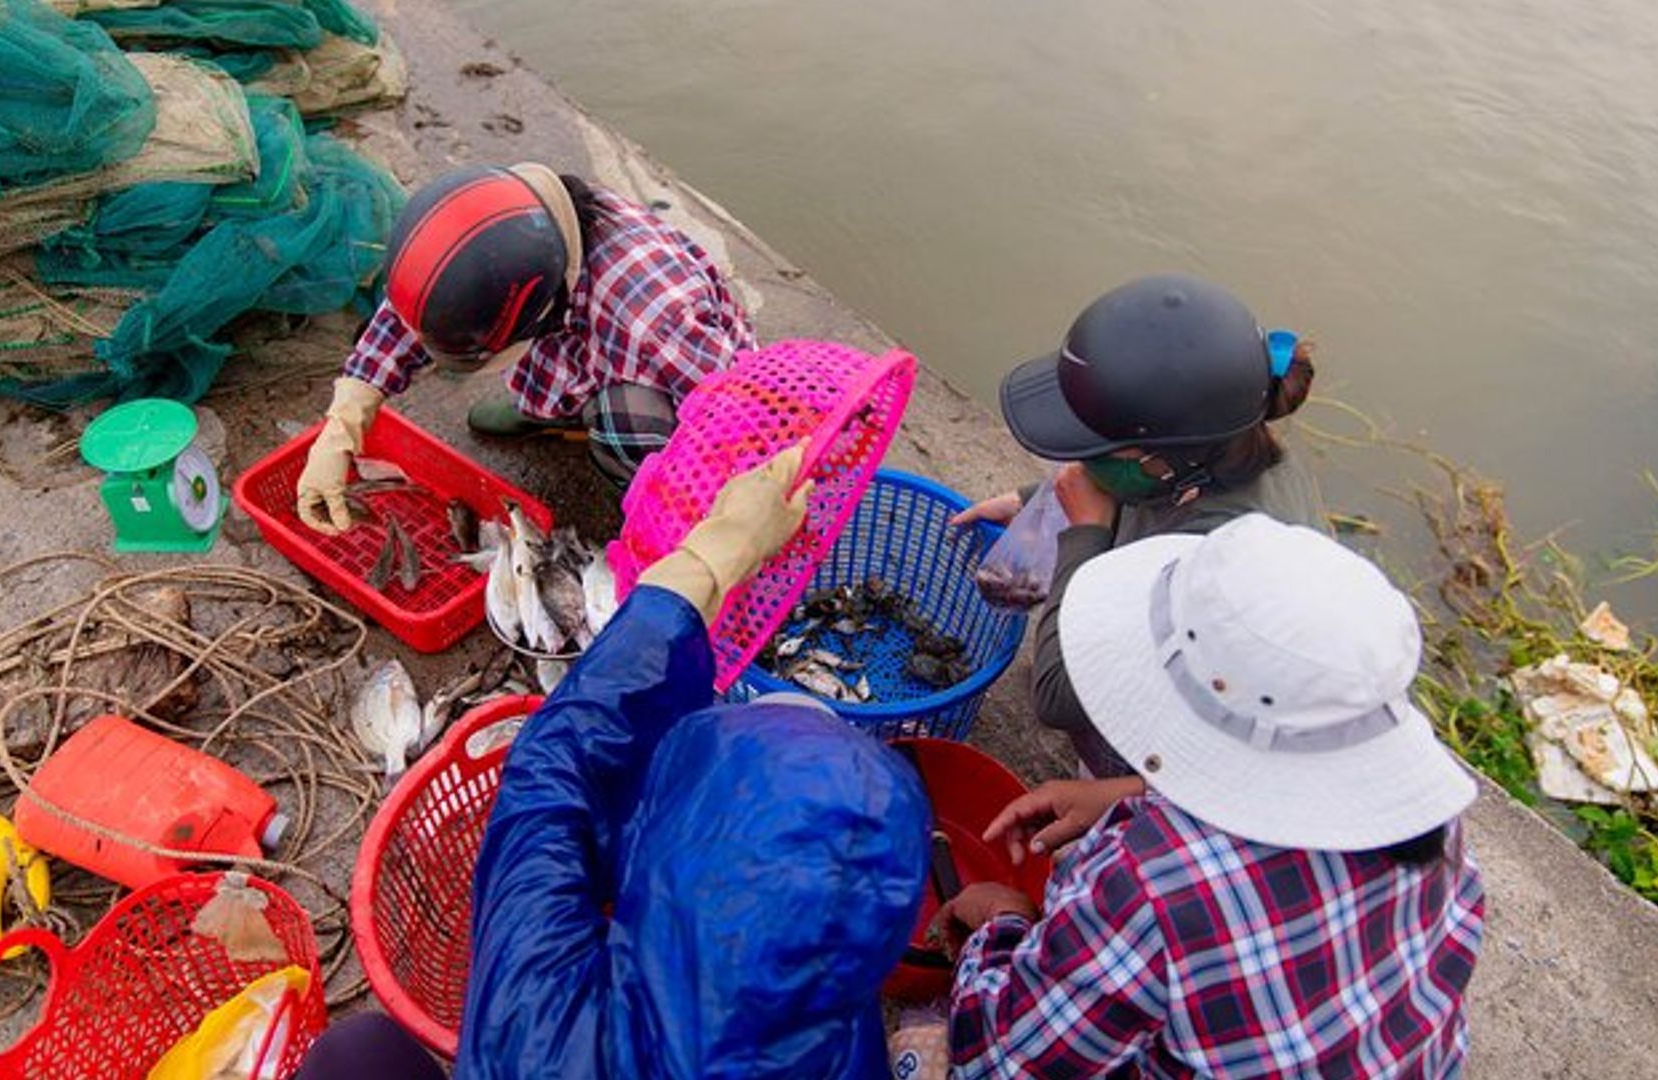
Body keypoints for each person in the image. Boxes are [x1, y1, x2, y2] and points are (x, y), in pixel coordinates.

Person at [298, 446, 931, 1078]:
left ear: (660, 861)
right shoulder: (846, 1043)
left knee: (354, 1057)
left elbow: (551, 774)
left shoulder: (540, 1023)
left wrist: (707, 560)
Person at [934, 514, 1485, 1078]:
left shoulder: (1151, 885)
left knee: (923, 1050)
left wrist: (1003, 920)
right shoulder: (1432, 826)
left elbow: (1001, 1061)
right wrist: (1132, 793)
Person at [953, 273, 1326, 777]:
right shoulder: (1227, 452)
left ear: (1165, 459)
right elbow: (1133, 486)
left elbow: (1058, 698)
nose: (1080, 465)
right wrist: (1032, 501)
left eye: (1098, 450)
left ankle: (1122, 788)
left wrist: (1084, 534)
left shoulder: (1214, 563)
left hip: (1191, 759)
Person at [295, 162, 756, 531]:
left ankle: (645, 503)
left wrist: (716, 537)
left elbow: (740, 423)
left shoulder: (655, 320)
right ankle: (557, 411)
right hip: (584, 334)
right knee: (502, 326)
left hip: (681, 381)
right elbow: (419, 311)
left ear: (548, 310)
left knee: (629, 421)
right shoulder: (510, 223)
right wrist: (343, 426)